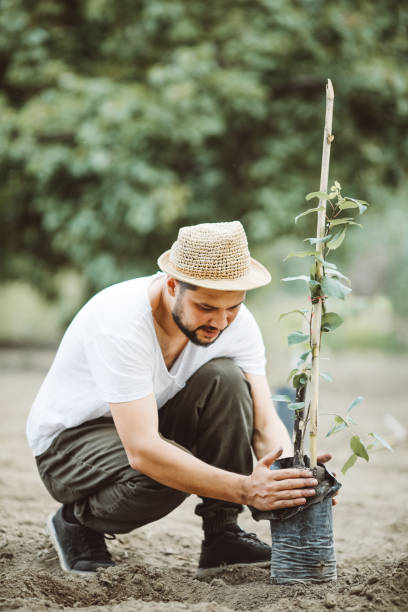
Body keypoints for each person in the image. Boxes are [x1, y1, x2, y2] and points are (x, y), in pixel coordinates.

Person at [27, 221, 331, 577]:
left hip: (147, 423)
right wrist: (245, 489)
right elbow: (144, 452)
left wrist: (296, 477)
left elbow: (264, 422)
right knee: (163, 474)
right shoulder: (120, 323)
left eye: (232, 307)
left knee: (228, 380)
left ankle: (223, 537)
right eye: (206, 307)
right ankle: (76, 522)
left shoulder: (236, 323)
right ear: (172, 286)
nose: (220, 322)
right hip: (68, 448)